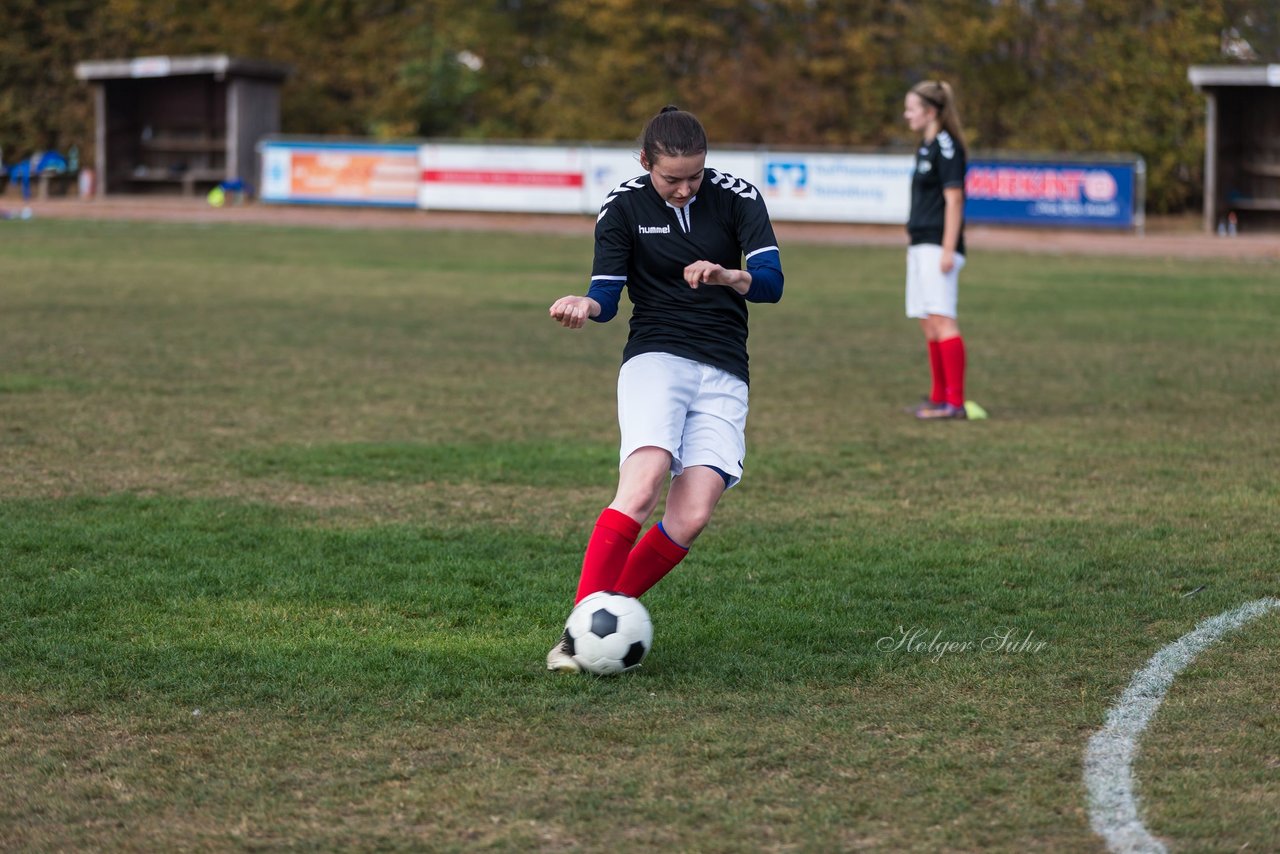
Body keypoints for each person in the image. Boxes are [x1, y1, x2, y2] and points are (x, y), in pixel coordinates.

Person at [545, 105, 784, 673]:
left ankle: (607, 619)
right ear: (645, 161)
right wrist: (586, 304)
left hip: (725, 367)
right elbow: (606, 293)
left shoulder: (739, 197)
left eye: (694, 177)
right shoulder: (624, 203)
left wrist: (729, 275)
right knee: (645, 480)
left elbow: (771, 284)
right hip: (656, 356)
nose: (683, 189)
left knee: (693, 513)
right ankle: (582, 632)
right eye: (671, 177)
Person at [903, 80, 970, 420]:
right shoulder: (926, 146)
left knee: (943, 320)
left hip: (937, 246)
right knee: (929, 322)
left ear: (930, 112)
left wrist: (947, 248)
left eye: (912, 108)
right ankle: (938, 397)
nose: (907, 115)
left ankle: (954, 403)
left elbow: (954, 198)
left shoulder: (947, 146)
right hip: (920, 244)